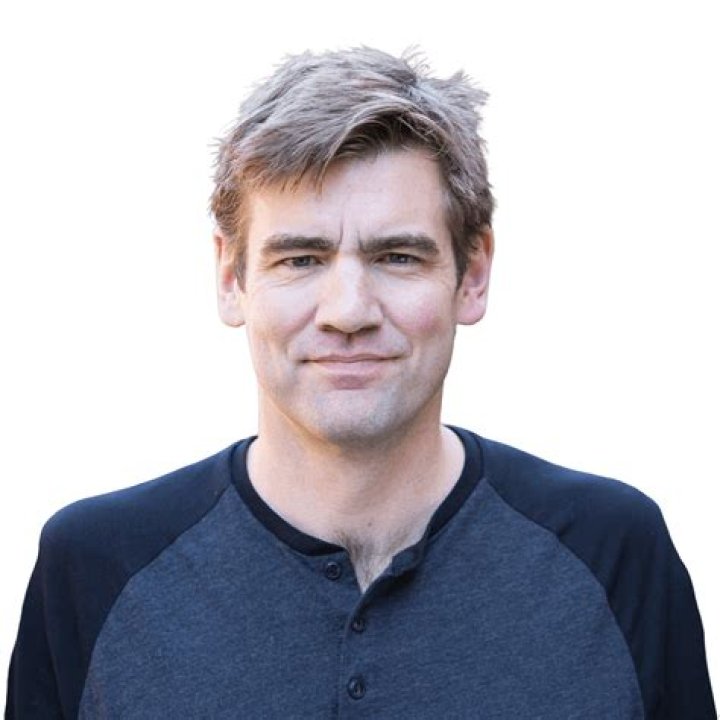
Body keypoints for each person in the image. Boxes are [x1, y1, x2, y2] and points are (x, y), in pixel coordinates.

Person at [5, 47, 715, 719]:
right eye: (301, 259)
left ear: (472, 275)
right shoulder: (95, 568)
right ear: (230, 277)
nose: (348, 312)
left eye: (398, 257)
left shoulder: (613, 554)